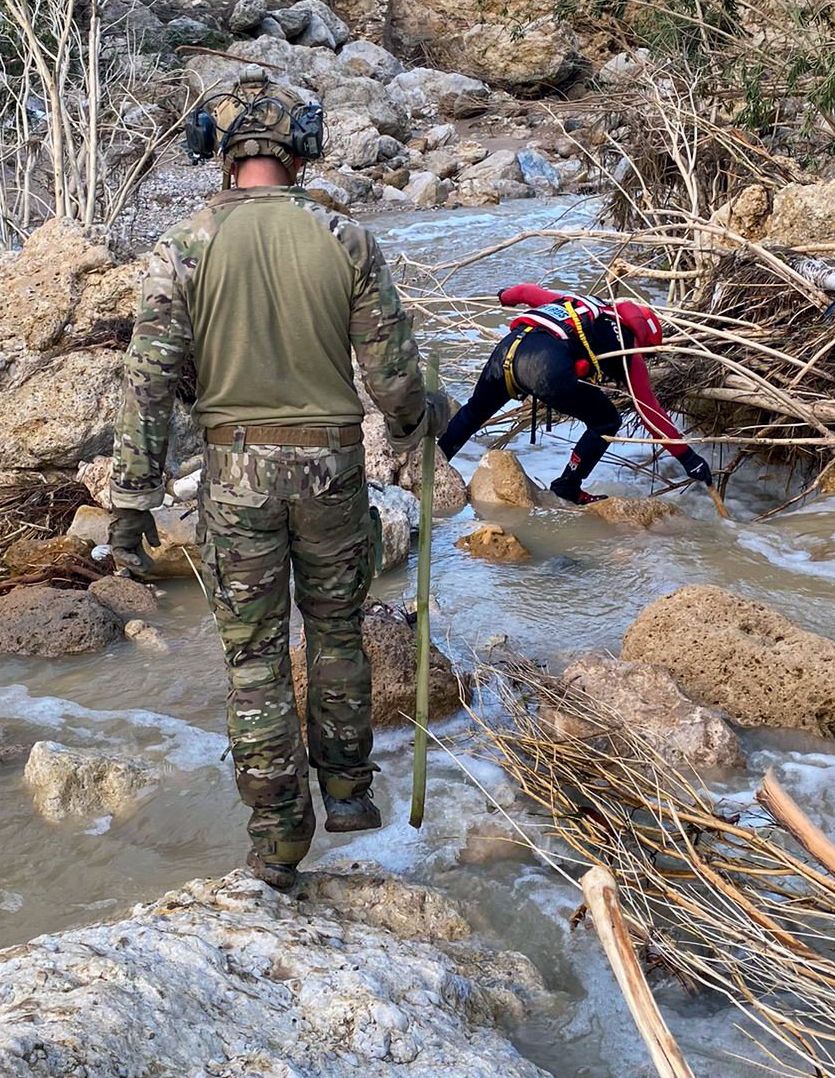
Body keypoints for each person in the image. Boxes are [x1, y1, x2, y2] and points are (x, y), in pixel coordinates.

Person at [107, 66, 448, 892]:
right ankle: (349, 795)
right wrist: (416, 429)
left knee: (253, 657)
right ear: (299, 151)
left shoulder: (182, 246)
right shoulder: (345, 238)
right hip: (332, 469)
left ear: (220, 157)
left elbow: (149, 380)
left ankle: (277, 844)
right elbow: (393, 375)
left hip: (236, 476)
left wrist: (130, 498)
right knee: (336, 633)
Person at [439, 283, 713, 504]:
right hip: (544, 368)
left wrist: (504, 296)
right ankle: (567, 485)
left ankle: (434, 465)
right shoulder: (630, 350)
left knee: (474, 412)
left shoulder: (579, 304)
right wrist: (690, 459)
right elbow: (650, 414)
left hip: (507, 351)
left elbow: (525, 292)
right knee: (607, 421)